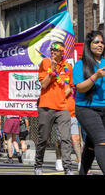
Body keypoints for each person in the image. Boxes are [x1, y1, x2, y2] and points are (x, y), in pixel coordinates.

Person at [34, 41, 74, 175]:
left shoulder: (68, 66)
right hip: (46, 107)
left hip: (62, 108)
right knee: (43, 139)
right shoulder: (45, 63)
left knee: (66, 138)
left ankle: (68, 168)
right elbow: (44, 85)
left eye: (56, 50)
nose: (52, 51)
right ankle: (38, 165)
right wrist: (51, 70)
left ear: (62, 52)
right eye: (51, 49)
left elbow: (69, 86)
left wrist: (64, 94)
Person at [73, 30, 105, 175]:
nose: (100, 45)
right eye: (96, 42)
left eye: (102, 42)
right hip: (86, 108)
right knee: (101, 141)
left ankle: (83, 172)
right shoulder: (81, 65)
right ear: (89, 44)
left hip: (103, 108)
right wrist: (96, 76)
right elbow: (80, 88)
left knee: (91, 145)